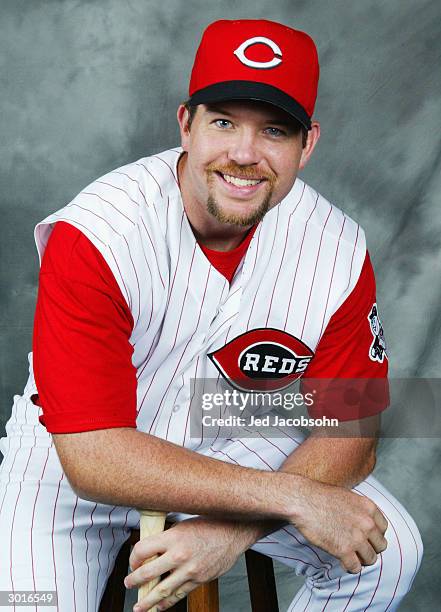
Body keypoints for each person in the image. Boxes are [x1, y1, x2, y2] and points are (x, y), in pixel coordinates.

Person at [0, 18, 422, 612]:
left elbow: (352, 430)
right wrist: (290, 499)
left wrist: (231, 528)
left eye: (274, 130)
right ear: (186, 125)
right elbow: (93, 455)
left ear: (308, 145)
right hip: (71, 467)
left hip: (229, 436)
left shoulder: (340, 249)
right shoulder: (99, 231)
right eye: (223, 122)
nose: (244, 155)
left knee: (390, 553)